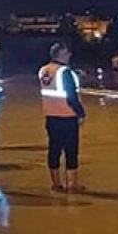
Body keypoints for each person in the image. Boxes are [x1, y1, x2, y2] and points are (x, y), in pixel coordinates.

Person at [38, 43, 87, 193]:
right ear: (60, 55)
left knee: (54, 150)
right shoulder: (65, 72)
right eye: (66, 53)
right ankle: (72, 184)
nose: (69, 55)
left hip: (51, 117)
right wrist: (81, 113)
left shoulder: (43, 70)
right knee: (71, 151)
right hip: (67, 116)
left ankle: (56, 183)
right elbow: (71, 96)